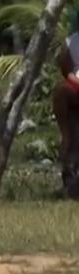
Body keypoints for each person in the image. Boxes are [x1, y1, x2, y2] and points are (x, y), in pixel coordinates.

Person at [53, 10, 79, 200]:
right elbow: (66, 69)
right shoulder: (71, 43)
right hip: (75, 86)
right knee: (61, 92)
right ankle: (70, 179)